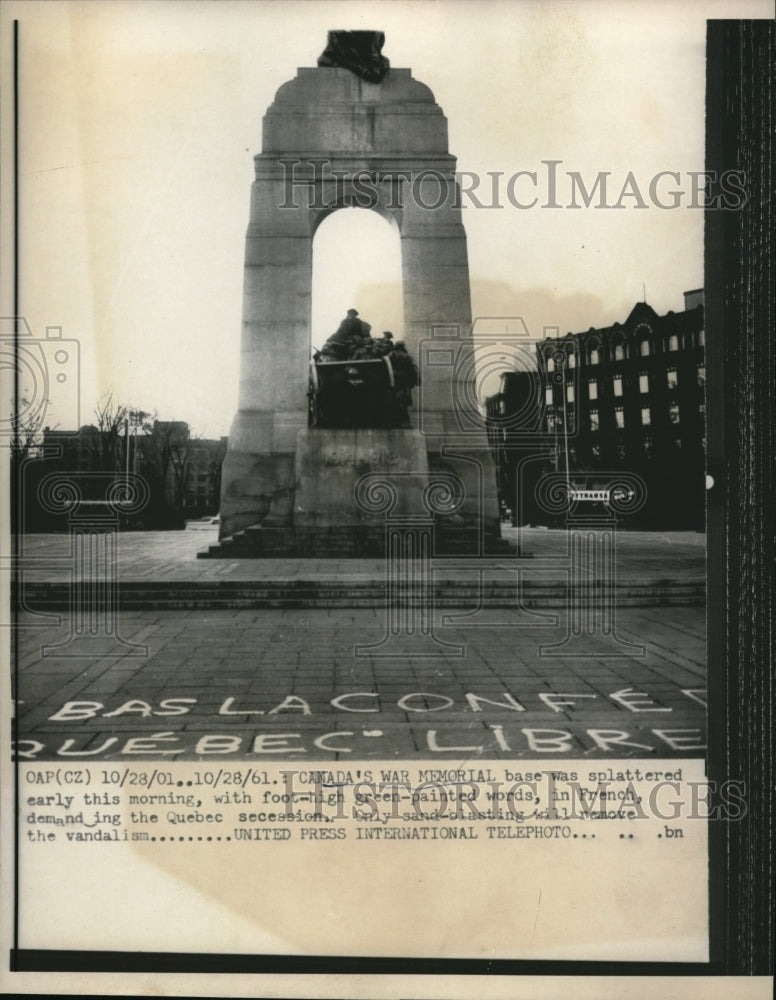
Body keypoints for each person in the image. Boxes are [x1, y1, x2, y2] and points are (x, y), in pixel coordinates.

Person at [388, 341, 419, 425]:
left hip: (395, 379)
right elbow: (414, 368)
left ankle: (396, 420)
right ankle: (405, 420)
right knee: (404, 399)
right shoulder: (408, 356)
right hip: (405, 380)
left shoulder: (392, 354)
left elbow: (387, 365)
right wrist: (415, 380)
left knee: (395, 398)